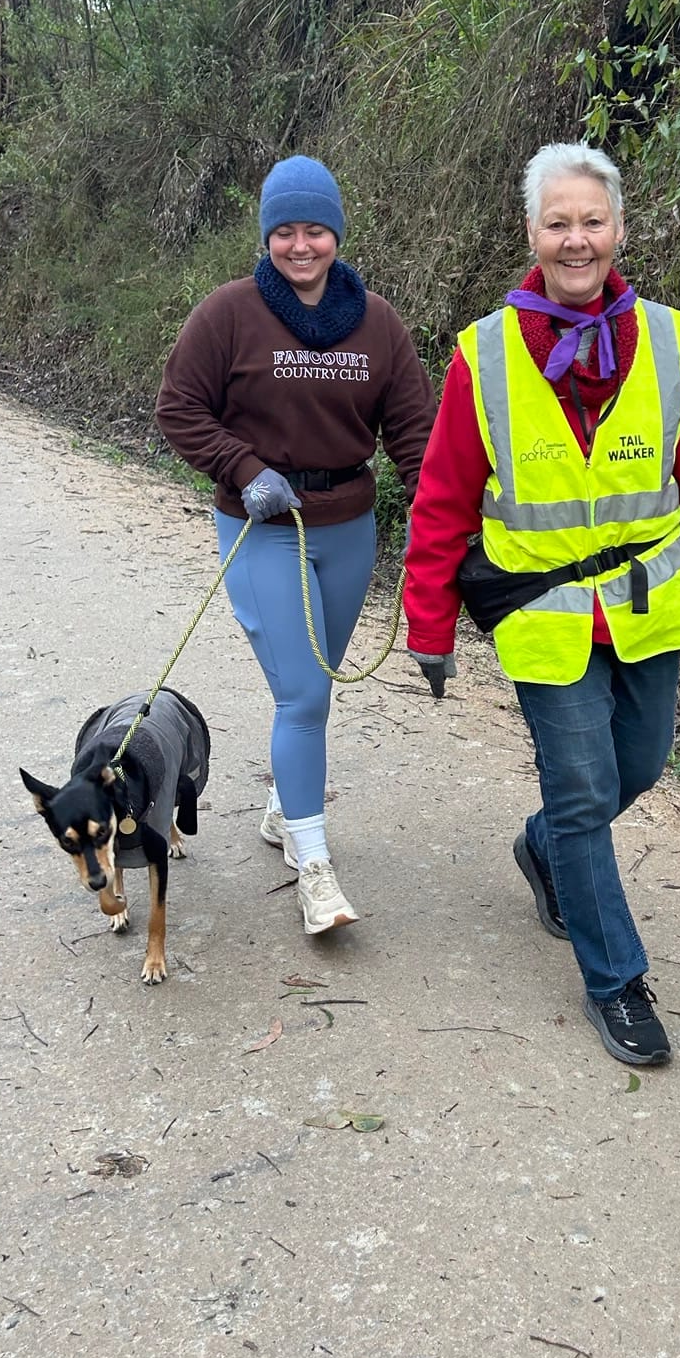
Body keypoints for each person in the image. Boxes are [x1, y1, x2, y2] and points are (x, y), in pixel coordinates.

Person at [402, 142, 680, 1067]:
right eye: (557, 222)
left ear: (619, 229)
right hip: (542, 620)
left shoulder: (666, 339)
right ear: (531, 234)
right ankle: (615, 980)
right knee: (582, 794)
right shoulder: (484, 357)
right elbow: (444, 496)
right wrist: (429, 625)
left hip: (650, 607)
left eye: (593, 221)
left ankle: (542, 850)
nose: (577, 240)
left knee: (636, 770)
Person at [155, 156, 437, 935]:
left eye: (315, 229)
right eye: (285, 230)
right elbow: (178, 407)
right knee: (304, 694)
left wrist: (433, 501)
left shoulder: (376, 322)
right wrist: (244, 468)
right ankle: (315, 867)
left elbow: (412, 427)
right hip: (262, 525)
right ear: (267, 236)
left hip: (347, 525)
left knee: (320, 678)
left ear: (337, 235)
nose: (300, 245)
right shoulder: (229, 314)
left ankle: (285, 807)